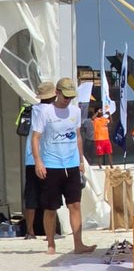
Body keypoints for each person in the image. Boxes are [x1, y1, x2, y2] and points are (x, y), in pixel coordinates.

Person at [30, 78, 94, 255]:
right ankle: (51, 244)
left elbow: (78, 136)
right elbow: (35, 138)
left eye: (71, 97)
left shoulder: (75, 111)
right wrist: (38, 162)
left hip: (71, 165)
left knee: (75, 205)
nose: (68, 100)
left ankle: (78, 243)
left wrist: (81, 161)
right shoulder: (45, 112)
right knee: (51, 208)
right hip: (51, 165)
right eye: (65, 96)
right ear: (57, 93)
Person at [22, 82, 56, 240]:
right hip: (49, 158)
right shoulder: (54, 111)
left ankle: (30, 232)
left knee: (31, 195)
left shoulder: (30, 109)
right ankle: (51, 231)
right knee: (50, 196)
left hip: (30, 158)